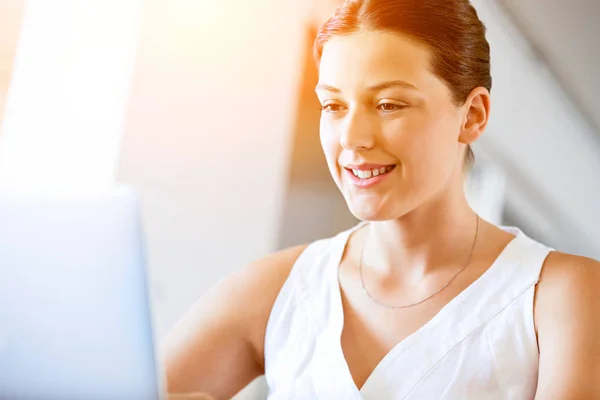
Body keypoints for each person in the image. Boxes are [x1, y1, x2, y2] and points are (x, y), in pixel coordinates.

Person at [162, 0, 600, 398]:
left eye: (389, 105)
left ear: (472, 115)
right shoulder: (277, 290)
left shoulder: (562, 296)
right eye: (334, 107)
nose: (352, 138)